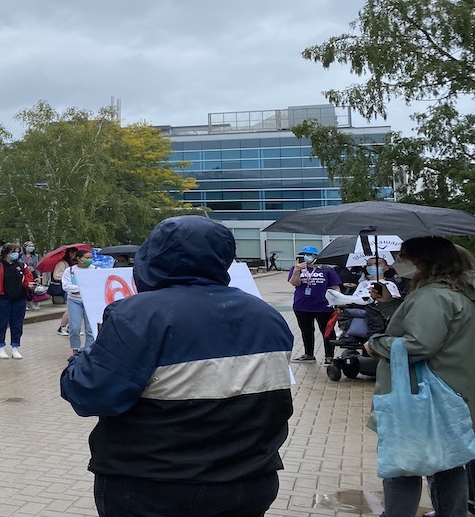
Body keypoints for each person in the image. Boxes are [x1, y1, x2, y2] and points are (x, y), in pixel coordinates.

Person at [60, 216, 294, 517]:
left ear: (152, 257)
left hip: (156, 486)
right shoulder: (267, 316)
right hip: (249, 484)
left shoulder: (138, 315)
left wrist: (82, 358)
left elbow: (89, 394)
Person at [364, 237, 475, 517]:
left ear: (423, 261)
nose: (398, 262)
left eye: (403, 257)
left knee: (403, 464)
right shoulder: (457, 292)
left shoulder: (433, 296)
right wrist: (390, 305)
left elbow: (419, 344)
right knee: (447, 462)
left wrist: (375, 344)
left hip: (420, 394)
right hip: (448, 391)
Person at [288, 245, 342, 364]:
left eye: (309, 255)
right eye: (304, 255)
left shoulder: (326, 269)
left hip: (324, 306)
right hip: (302, 306)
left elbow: (335, 287)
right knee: (306, 331)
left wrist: (338, 302)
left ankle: (329, 356)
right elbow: (295, 283)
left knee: (327, 331)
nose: (306, 257)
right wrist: (297, 271)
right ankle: (309, 354)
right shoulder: (296, 268)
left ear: (316, 256)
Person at [0, 242, 34, 359]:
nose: (16, 254)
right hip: (2, 299)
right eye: (13, 252)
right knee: (1, 323)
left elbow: (28, 279)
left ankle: (15, 347)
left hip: (19, 299)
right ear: (6, 252)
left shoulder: (21, 266)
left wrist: (29, 285)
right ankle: (0, 347)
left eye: (17, 252)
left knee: (17, 324)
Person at [63, 245, 97, 354]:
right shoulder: (70, 271)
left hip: (90, 301)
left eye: (91, 258)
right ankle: (75, 350)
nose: (89, 260)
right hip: (74, 300)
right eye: (86, 258)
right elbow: (66, 286)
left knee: (90, 328)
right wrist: (81, 288)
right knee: (74, 328)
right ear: (78, 258)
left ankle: (88, 351)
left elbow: (100, 283)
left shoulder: (96, 270)